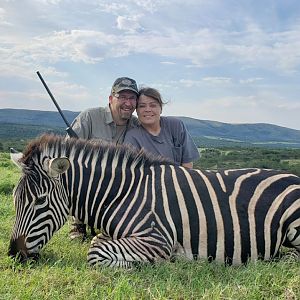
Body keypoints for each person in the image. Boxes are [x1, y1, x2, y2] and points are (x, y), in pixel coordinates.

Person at [68, 76, 139, 240]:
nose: (128, 103)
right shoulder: (89, 117)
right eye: (122, 97)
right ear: (110, 98)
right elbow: (67, 154)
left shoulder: (137, 125)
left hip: (119, 188)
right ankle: (78, 223)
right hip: (87, 184)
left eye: (132, 98)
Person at [124, 87, 200, 168]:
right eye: (142, 106)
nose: (148, 110)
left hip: (180, 179)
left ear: (161, 109)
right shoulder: (132, 138)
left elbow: (187, 163)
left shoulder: (176, 125)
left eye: (153, 105)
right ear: (137, 111)